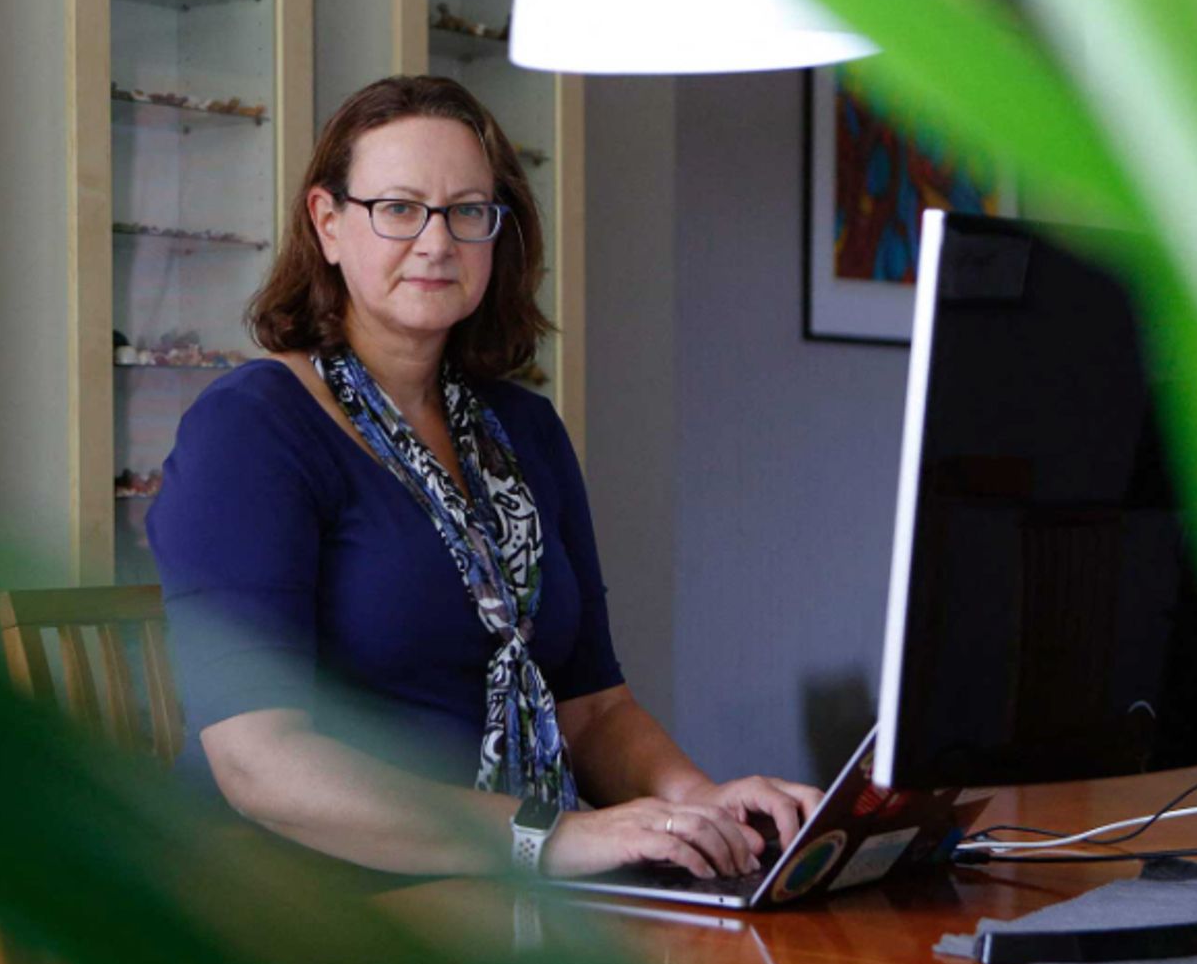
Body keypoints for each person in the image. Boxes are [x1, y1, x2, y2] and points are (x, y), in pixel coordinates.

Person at [147, 75, 820, 884]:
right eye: (398, 208)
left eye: (467, 211)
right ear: (328, 224)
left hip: (514, 893)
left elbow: (594, 709)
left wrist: (699, 807)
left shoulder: (525, 432)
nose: (437, 243)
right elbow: (260, 765)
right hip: (311, 912)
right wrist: (553, 837)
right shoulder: (251, 428)